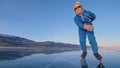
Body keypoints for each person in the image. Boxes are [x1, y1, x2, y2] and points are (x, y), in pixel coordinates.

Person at [74, 1, 105, 68]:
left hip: (89, 26)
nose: (77, 10)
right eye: (75, 9)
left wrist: (89, 23)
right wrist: (85, 26)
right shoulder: (76, 18)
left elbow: (94, 17)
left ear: (81, 7)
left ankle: (95, 52)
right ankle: (84, 51)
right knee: (82, 40)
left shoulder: (88, 12)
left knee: (92, 39)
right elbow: (78, 24)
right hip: (81, 28)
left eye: (78, 8)